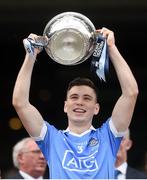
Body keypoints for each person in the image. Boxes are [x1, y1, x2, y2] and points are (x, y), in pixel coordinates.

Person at [12, 27, 139, 179]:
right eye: (74, 97)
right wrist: (30, 55)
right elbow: (20, 103)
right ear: (65, 106)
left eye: (87, 98)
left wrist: (111, 48)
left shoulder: (108, 136)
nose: (80, 102)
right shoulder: (51, 139)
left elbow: (131, 93)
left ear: (96, 108)